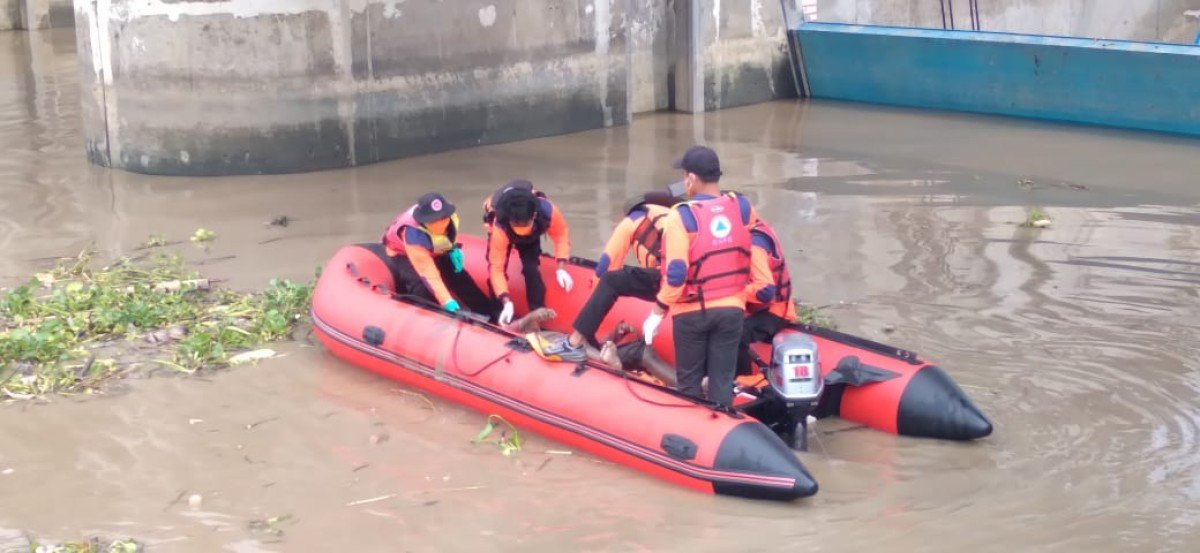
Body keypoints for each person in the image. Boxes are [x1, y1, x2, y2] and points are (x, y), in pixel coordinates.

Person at [642, 145, 768, 408]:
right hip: (731, 310)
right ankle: (721, 422)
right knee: (722, 382)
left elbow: (676, 275)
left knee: (689, 383)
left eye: (684, 176)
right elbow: (752, 250)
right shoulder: (743, 208)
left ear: (690, 178)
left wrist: (657, 313)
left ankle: (692, 440)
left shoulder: (681, 216)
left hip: (691, 314)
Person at [557, 189, 678, 355]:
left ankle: (576, 341)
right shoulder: (675, 214)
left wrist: (593, 302)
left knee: (610, 280)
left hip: (669, 280)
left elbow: (606, 264)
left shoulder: (631, 221)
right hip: (693, 282)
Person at [381, 193, 494, 316]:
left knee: (460, 276)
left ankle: (488, 313)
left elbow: (450, 235)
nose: (440, 222)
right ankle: (433, 318)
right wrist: (446, 301)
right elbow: (428, 272)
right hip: (403, 253)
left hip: (436, 248)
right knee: (420, 286)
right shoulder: (413, 233)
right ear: (425, 220)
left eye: (443, 218)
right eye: (434, 220)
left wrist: (453, 249)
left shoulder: (451, 217)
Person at [507, 308, 676, 387]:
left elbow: (599, 344)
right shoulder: (525, 340)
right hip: (582, 356)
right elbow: (507, 330)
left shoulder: (554, 334)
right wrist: (531, 317)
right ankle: (608, 362)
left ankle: (686, 384)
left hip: (595, 352)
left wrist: (616, 333)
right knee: (583, 346)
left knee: (643, 350)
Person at [483, 180, 573, 325]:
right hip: (505, 233)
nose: (521, 229)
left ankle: (537, 312)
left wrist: (561, 268)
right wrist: (506, 301)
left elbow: (561, 234)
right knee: (495, 272)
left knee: (531, 269)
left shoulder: (546, 210)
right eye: (517, 225)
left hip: (532, 235)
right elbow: (497, 268)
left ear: (534, 216)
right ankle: (497, 316)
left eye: (524, 225)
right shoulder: (500, 224)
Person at [737, 218, 799, 375]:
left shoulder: (755, 245)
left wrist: (731, 292)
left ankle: (742, 381)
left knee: (733, 334)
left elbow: (765, 291)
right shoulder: (760, 230)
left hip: (772, 312)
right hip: (769, 307)